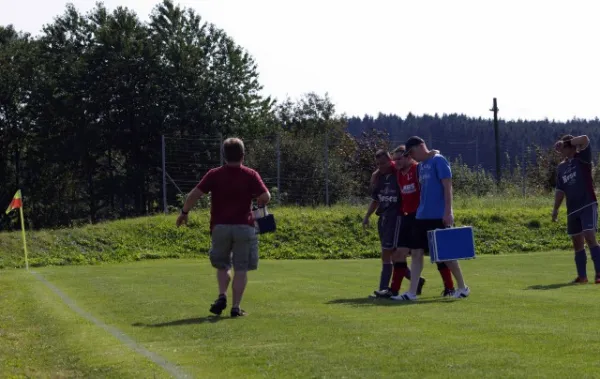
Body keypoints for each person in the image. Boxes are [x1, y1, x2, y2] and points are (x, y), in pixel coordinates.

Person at [176, 137, 271, 317]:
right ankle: (236, 307)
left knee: (222, 265)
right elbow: (265, 195)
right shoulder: (250, 174)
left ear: (223, 155)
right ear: (243, 155)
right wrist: (260, 200)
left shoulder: (214, 174)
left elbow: (194, 194)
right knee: (241, 268)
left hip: (220, 226)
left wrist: (184, 212)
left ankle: (221, 295)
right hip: (244, 226)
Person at [395, 136, 470, 301]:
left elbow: (447, 187)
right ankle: (412, 293)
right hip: (421, 216)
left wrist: (448, 212)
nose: (412, 156)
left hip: (438, 216)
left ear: (421, 146)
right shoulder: (421, 166)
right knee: (416, 253)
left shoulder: (439, 161)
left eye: (412, 152)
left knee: (447, 256)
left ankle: (463, 287)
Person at [364, 150, 423, 298]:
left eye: (383, 162)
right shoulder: (380, 177)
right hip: (383, 219)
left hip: (396, 219)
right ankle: (416, 280)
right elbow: (376, 200)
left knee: (387, 254)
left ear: (391, 160)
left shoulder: (398, 174)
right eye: (378, 164)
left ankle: (384, 288)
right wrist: (367, 216)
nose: (381, 166)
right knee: (393, 255)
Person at [552, 134, 600, 284]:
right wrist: (555, 210)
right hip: (572, 209)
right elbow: (560, 191)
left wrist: (565, 141)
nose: (561, 150)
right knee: (577, 242)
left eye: (563, 147)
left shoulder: (582, 158)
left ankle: (599, 274)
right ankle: (582, 277)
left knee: (589, 236)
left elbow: (585, 138)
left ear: (570, 146)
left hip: (587, 204)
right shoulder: (561, 167)